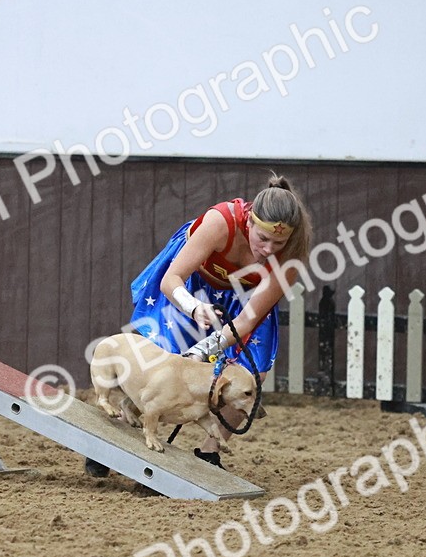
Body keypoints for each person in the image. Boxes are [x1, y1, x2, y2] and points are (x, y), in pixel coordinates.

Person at [86, 173, 312, 475]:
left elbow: (246, 322)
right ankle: (110, 442)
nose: (269, 249)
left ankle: (209, 454)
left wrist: (203, 349)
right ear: (249, 223)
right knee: (154, 357)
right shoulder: (220, 223)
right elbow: (171, 280)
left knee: (251, 373)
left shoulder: (289, 258)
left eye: (279, 242)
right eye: (263, 238)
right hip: (190, 288)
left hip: (241, 303)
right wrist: (193, 308)